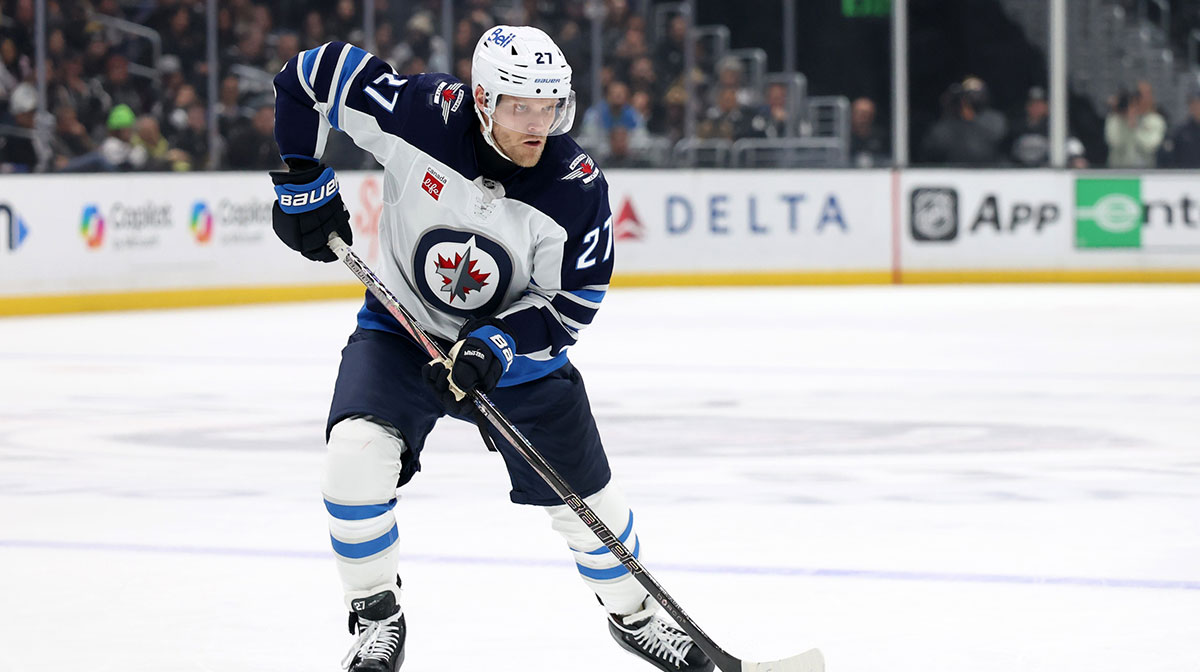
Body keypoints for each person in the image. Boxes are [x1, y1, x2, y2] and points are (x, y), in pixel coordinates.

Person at [269, 26, 714, 672]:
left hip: (514, 363)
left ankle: (636, 616)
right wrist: (300, 178)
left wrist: (497, 344)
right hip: (403, 329)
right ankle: (375, 616)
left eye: (551, 107)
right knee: (353, 456)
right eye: (520, 107)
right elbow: (309, 75)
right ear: (481, 99)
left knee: (589, 505)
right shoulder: (418, 114)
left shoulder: (576, 189)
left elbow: (571, 306)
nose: (539, 125)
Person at [1105, 81, 1165, 168]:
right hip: (1117, 171)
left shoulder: (1155, 120)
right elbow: (1114, 143)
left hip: (1146, 172)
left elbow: (1150, 147)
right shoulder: (1114, 120)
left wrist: (1135, 128)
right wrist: (1124, 121)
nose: (1144, 98)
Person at [1160, 91, 1200, 168]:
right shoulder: (1180, 132)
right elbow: (1168, 158)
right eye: (1194, 104)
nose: (1197, 107)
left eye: (1198, 103)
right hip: (1185, 176)